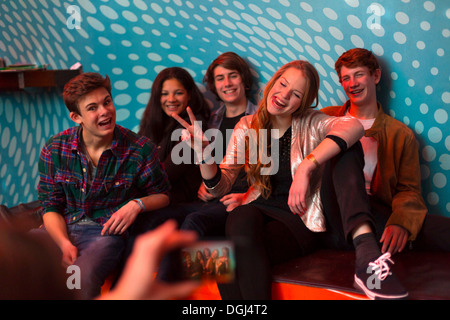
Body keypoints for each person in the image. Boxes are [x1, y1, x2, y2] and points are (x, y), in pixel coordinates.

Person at [172, 60, 367, 299]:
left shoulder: (311, 122)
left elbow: (353, 126)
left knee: (227, 255)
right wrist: (204, 154)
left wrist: (307, 166)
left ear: (303, 102)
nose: (283, 96)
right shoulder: (249, 125)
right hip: (258, 210)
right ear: (273, 82)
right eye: (282, 84)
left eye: (295, 94)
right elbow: (219, 186)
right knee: (236, 223)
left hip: (298, 220)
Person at [321, 48, 450, 298]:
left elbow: (408, 190)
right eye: (345, 78)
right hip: (331, 211)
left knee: (441, 230)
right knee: (344, 140)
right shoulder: (325, 118)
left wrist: (402, 221)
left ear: (376, 76)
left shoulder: (400, 134)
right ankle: (367, 259)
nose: (351, 84)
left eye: (358, 75)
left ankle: (369, 252)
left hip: (375, 215)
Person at [36, 72, 171, 299]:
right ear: (75, 117)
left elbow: (164, 195)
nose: (105, 111)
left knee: (80, 276)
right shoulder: (55, 148)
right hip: (61, 228)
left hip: (105, 233)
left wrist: (136, 204)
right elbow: (50, 206)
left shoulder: (139, 149)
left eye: (107, 102)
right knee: (11, 261)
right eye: (92, 108)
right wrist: (64, 243)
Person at [178, 52, 258, 238]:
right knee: (162, 217)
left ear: (244, 80)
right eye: (220, 78)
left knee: (194, 221)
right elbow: (208, 162)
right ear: (214, 85)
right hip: (211, 197)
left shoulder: (260, 120)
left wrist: (248, 196)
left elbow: (269, 172)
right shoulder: (211, 121)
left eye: (233, 76)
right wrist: (206, 183)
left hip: (238, 199)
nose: (227, 83)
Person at [138, 67, 211, 205]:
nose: (171, 99)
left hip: (181, 204)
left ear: (189, 95)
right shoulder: (154, 122)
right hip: (153, 198)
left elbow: (165, 176)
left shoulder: (195, 127)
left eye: (178, 93)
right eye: (164, 94)